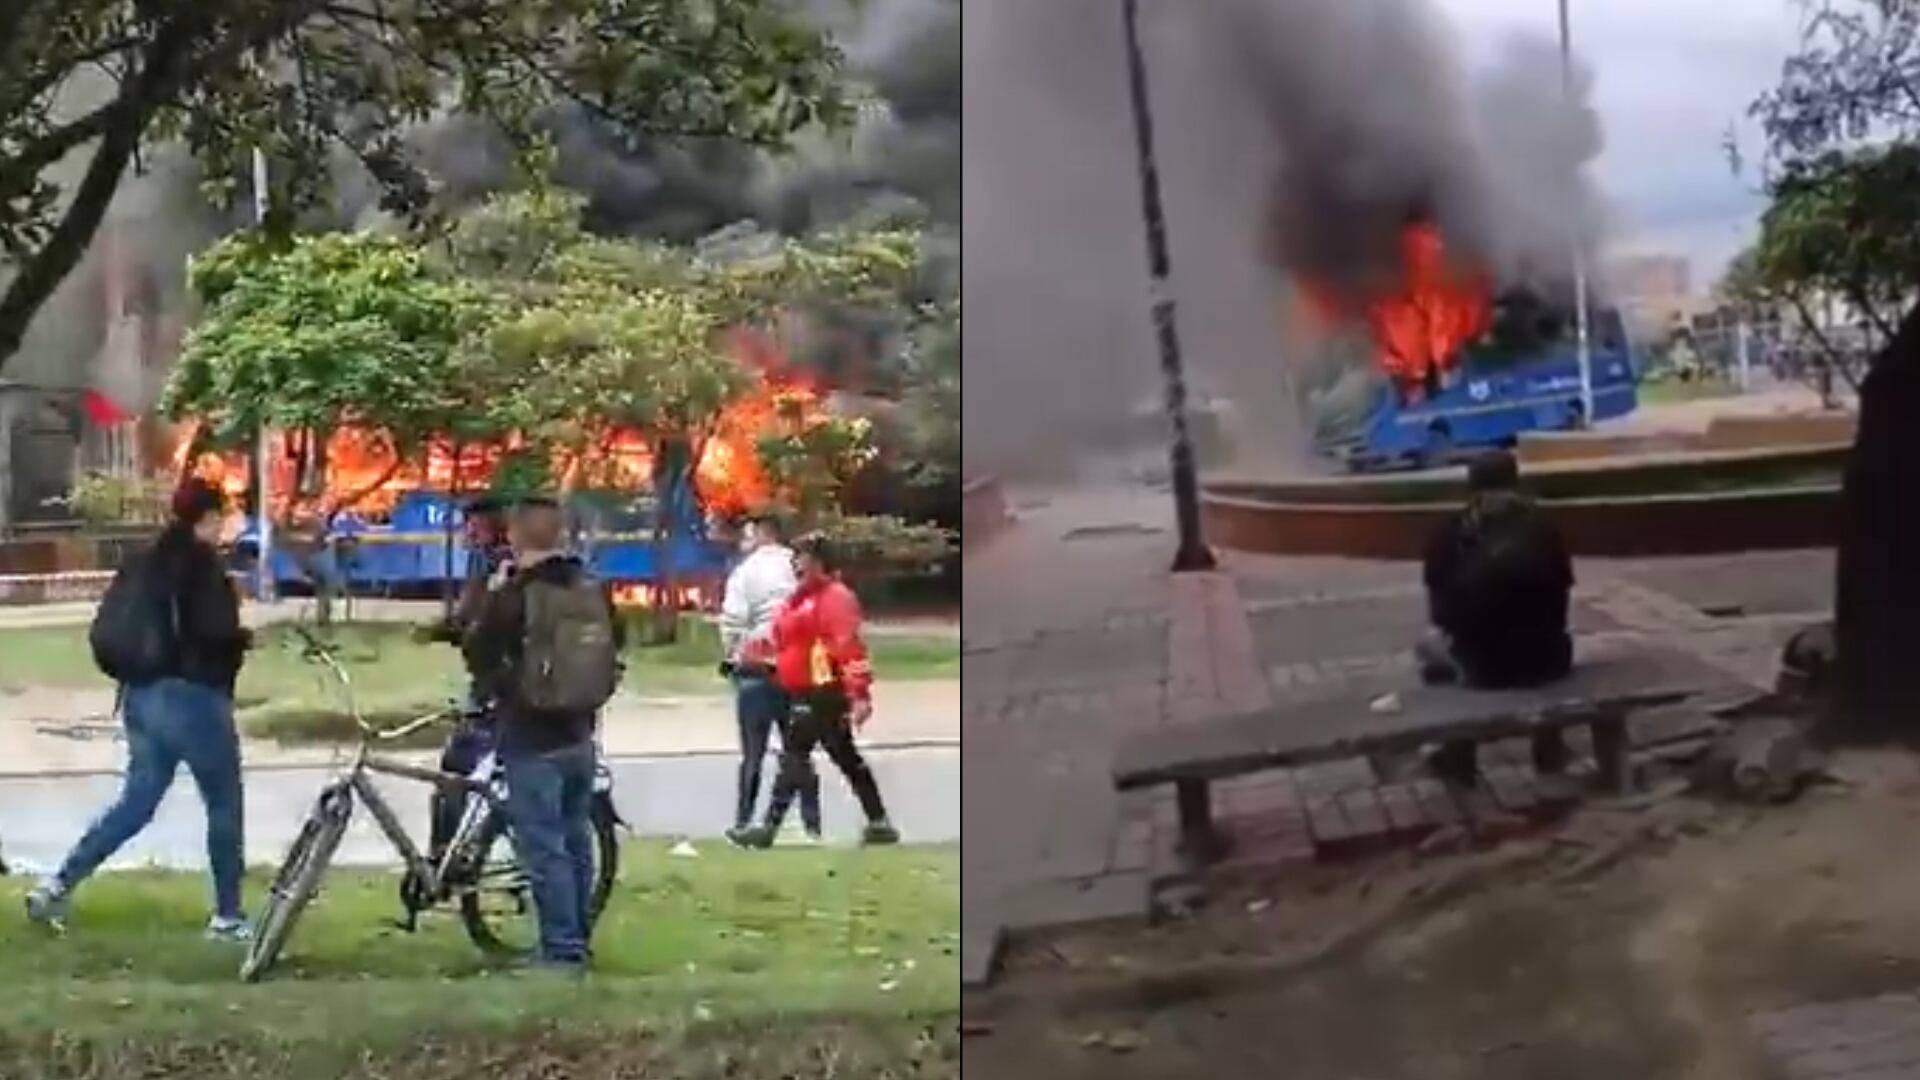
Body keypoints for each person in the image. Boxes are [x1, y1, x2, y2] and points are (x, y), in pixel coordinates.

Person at [28, 479, 253, 939]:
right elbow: (212, 633)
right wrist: (243, 640)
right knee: (224, 803)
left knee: (136, 802)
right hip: (192, 699)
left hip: (140, 696)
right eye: (220, 517)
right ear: (207, 517)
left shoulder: (144, 559)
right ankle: (228, 917)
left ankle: (57, 884)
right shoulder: (200, 566)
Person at [464, 496, 623, 971]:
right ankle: (577, 939)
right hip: (580, 731)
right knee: (575, 842)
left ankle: (562, 954)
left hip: (529, 733)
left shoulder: (515, 593)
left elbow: (479, 652)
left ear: (515, 536)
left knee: (544, 849)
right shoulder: (592, 587)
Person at [1418, 450, 1576, 784]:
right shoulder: (1543, 529)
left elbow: (1441, 616)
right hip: (1548, 660)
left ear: (1471, 489)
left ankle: (1459, 759)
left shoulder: (1449, 535)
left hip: (1482, 668)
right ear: (1516, 483)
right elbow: (1561, 603)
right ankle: (1548, 751)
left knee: (1430, 655)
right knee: (1547, 639)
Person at [740, 534, 899, 848]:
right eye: (795, 558)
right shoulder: (798, 599)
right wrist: (759, 652)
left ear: (820, 562)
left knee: (795, 756)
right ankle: (879, 822)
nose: (796, 564)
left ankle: (767, 829)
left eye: (803, 558)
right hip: (802, 687)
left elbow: (849, 648)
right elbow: (784, 639)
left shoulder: (835, 599)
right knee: (844, 757)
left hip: (823, 689)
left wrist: (859, 694)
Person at [718, 514, 821, 847]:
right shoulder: (798, 568)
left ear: (759, 533)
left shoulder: (746, 572)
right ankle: (811, 824)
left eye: (748, 534)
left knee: (753, 753)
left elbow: (733, 620)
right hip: (797, 671)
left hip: (756, 669)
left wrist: (733, 655)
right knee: (798, 752)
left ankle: (743, 821)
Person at [425, 496, 513, 861]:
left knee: (456, 769)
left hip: (503, 689)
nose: (468, 531)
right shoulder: (484, 563)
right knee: (460, 774)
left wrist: (465, 629)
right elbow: (469, 615)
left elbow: (490, 621)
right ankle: (446, 855)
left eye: (474, 524)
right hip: (487, 684)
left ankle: (445, 857)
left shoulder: (507, 566)